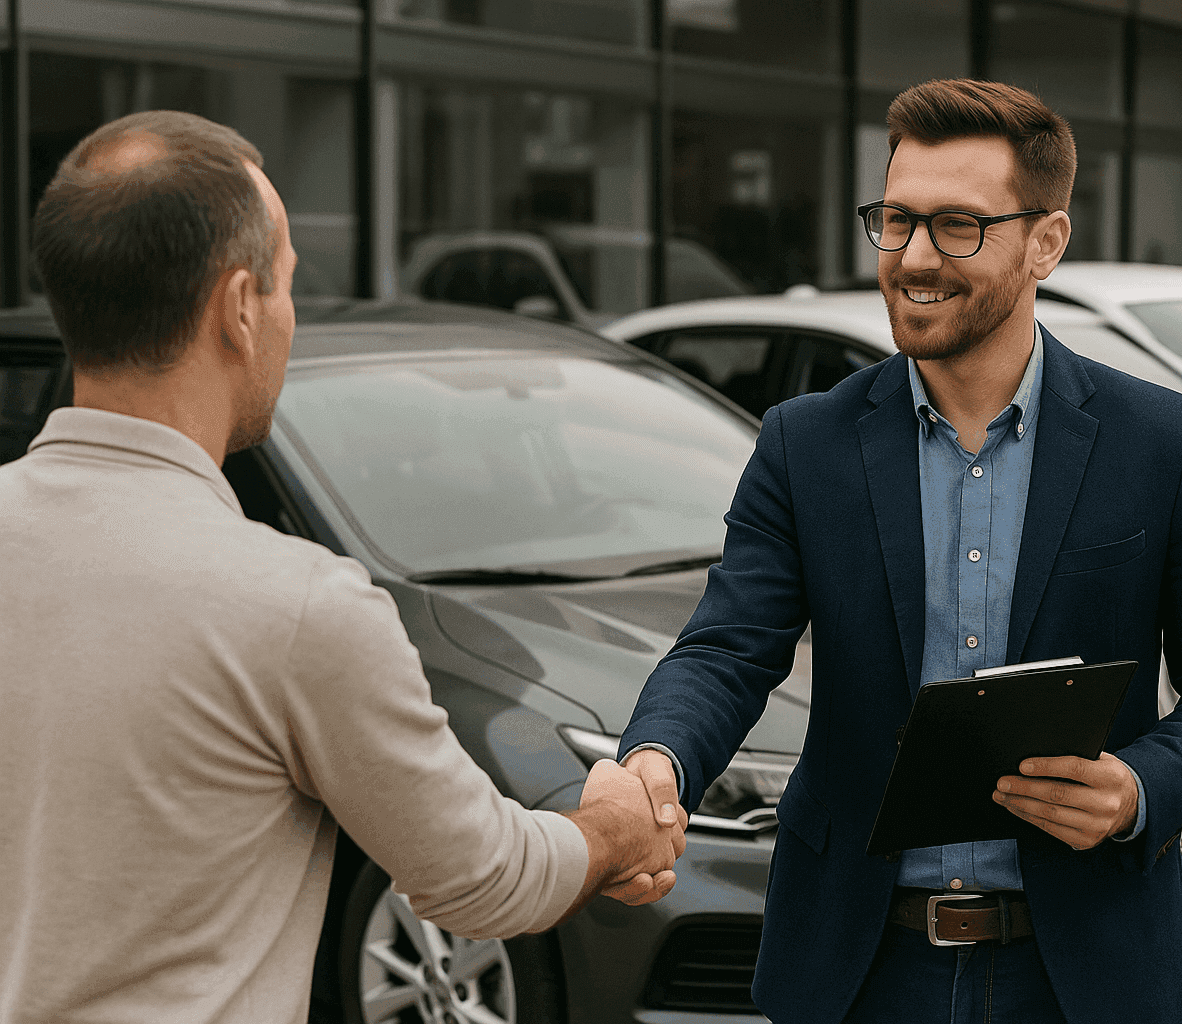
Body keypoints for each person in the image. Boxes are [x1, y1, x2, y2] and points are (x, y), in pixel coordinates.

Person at [618, 79, 1182, 1024]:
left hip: (1082, 974)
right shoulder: (803, 444)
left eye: (958, 227)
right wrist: (657, 761)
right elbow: (727, 649)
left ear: (1046, 243)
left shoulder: (1164, 444)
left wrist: (1142, 786)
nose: (914, 258)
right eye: (894, 222)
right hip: (859, 971)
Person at [0, 111, 682, 1024]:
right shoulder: (294, 606)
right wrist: (616, 829)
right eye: (283, 287)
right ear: (239, 309)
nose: (285, 315)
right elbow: (488, 881)